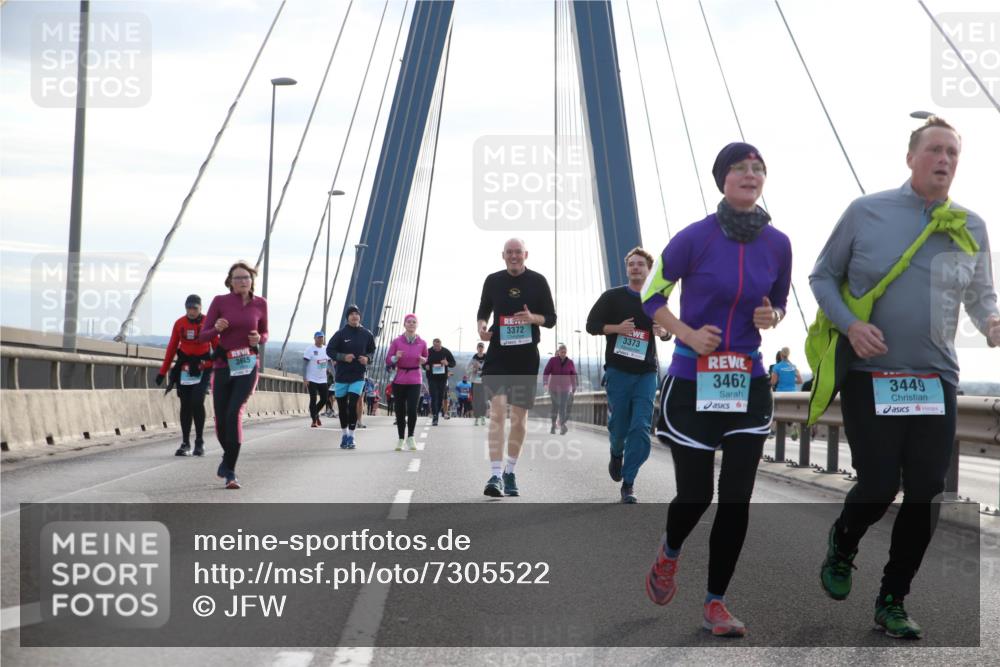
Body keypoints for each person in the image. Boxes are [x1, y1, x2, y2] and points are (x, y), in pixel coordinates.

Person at [809, 116, 999, 639]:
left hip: (935, 378)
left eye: (953, 153)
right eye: (935, 150)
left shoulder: (971, 224)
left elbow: (982, 295)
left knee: (927, 493)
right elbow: (822, 274)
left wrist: (990, 321)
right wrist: (851, 325)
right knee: (877, 484)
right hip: (871, 373)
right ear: (911, 157)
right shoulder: (866, 212)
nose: (945, 160)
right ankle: (844, 541)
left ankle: (892, 599)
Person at [640, 143, 791, 637]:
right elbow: (651, 295)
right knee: (697, 493)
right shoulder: (695, 238)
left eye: (758, 169)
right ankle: (669, 553)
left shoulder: (778, 243)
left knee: (737, 498)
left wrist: (773, 316)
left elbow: (779, 304)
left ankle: (716, 603)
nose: (751, 174)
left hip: (746, 382)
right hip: (693, 383)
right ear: (722, 179)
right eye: (740, 168)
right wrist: (685, 333)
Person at [586, 247, 670, 503]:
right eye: (631, 264)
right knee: (620, 427)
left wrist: (663, 332)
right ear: (627, 268)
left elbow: (669, 332)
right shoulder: (612, 297)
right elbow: (591, 325)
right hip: (618, 371)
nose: (635, 268)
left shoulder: (656, 299)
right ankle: (616, 451)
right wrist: (617, 329)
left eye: (640, 265)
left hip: (646, 373)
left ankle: (629, 482)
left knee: (641, 428)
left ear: (648, 270)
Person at [477, 237, 556, 497]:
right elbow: (483, 310)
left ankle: (510, 471)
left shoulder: (538, 281)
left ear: (526, 254)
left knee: (519, 419)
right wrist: (481, 326)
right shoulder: (493, 280)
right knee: (498, 413)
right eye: (509, 252)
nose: (514, 256)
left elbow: (551, 319)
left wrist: (534, 318)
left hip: (525, 358)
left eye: (518, 252)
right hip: (498, 355)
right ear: (503, 255)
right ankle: (495, 475)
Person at [199, 261, 269, 489]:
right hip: (223, 365)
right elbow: (203, 336)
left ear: (252, 281)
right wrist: (216, 329)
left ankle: (231, 471)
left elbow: (265, 332)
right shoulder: (220, 302)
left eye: (246, 278)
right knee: (221, 421)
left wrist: (260, 339)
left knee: (234, 413)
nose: (242, 281)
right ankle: (227, 458)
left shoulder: (261, 304)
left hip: (248, 365)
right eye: (237, 278)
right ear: (230, 281)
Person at [157, 294, 218, 456]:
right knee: (185, 404)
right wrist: (163, 372)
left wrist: (219, 365)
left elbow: (218, 347)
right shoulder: (179, 323)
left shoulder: (208, 323)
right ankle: (185, 443)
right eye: (188, 308)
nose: (191, 312)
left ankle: (199, 441)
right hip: (184, 368)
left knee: (197, 401)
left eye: (195, 308)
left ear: (200, 308)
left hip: (203, 367)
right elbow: (171, 347)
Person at [326, 305, 376, 449]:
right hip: (341, 376)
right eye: (351, 314)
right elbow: (330, 350)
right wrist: (342, 357)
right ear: (347, 317)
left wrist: (367, 358)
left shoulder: (367, 334)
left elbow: (372, 351)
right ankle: (344, 434)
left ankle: (352, 437)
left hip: (358, 375)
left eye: (357, 314)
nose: (354, 316)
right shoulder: (340, 334)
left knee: (353, 405)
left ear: (360, 316)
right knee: (342, 407)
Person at [387, 314, 427, 451]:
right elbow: (388, 359)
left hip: (415, 378)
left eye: (414, 322)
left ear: (417, 325)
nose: (411, 324)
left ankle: (411, 437)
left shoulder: (422, 343)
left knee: (412, 409)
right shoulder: (397, 341)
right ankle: (400, 439)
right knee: (399, 410)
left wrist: (424, 360)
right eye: (408, 322)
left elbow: (426, 358)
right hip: (400, 378)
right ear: (404, 324)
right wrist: (395, 357)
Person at [542, 344, 578, 435]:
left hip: (565, 389)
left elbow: (573, 376)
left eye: (565, 352)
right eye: (562, 352)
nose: (563, 354)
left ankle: (562, 427)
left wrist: (574, 388)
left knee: (562, 407)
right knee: (555, 407)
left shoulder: (570, 362)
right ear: (558, 352)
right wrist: (545, 383)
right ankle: (553, 426)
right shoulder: (553, 360)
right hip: (553, 388)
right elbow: (546, 372)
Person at [423, 338, 456, 425]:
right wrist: (425, 366)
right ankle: (435, 416)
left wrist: (447, 363)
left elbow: (453, 363)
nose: (436, 348)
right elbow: (422, 361)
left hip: (442, 378)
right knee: (434, 397)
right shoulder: (428, 351)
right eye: (435, 346)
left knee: (440, 397)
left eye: (438, 346)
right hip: (432, 378)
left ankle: (436, 413)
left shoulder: (446, 352)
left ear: (441, 345)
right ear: (432, 345)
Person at [302, 331, 331, 428]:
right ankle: (314, 420)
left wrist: (336, 376)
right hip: (311, 379)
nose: (320, 339)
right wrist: (305, 378)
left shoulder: (326, 349)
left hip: (323, 379)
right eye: (318, 337)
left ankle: (315, 413)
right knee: (313, 398)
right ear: (314, 338)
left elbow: (331, 364)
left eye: (322, 337)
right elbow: (305, 365)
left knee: (324, 399)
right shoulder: (309, 349)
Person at [467, 342, 488, 425]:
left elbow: (490, 368)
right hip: (475, 382)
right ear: (477, 348)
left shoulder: (487, 358)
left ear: (483, 349)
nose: (480, 348)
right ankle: (476, 417)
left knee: (483, 400)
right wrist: (473, 369)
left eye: (482, 347)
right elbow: (467, 369)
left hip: (484, 382)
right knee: (475, 401)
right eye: (479, 347)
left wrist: (483, 369)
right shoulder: (473, 359)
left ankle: (483, 417)